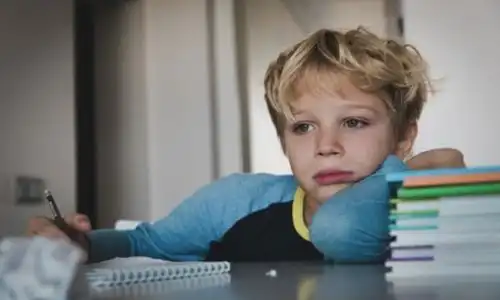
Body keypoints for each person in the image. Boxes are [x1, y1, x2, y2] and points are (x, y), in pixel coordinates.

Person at [27, 27, 465, 264]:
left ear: (404, 136)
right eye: (303, 127)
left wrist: (405, 176)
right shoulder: (236, 202)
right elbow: (143, 243)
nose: (326, 146)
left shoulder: (418, 210)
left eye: (353, 122)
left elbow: (344, 230)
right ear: (283, 140)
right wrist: (82, 246)